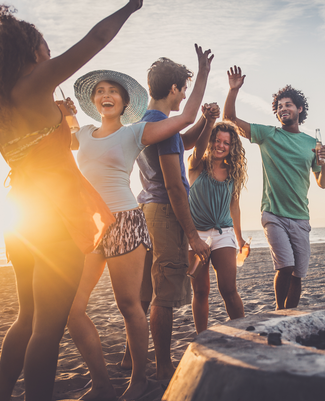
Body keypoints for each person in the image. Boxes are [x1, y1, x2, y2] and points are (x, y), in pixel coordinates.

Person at [0, 2, 142, 400]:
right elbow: (96, 39)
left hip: (21, 219)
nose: (49, 52)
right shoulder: (34, 82)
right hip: (56, 219)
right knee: (47, 330)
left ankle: (0, 396)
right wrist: (131, 6)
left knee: (25, 318)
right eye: (44, 45)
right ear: (30, 51)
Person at [67, 46, 212, 401]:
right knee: (72, 308)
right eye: (100, 91)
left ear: (124, 100)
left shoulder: (136, 132)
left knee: (130, 304)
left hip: (126, 221)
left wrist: (203, 73)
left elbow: (186, 119)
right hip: (89, 225)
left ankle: (139, 380)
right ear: (93, 100)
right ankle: (100, 383)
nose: (106, 95)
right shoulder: (82, 132)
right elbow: (50, 141)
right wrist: (61, 114)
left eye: (113, 91)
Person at [120, 57, 213, 382]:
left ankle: (129, 357)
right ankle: (161, 367)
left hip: (145, 210)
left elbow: (182, 142)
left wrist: (205, 121)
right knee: (164, 292)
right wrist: (192, 235)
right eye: (183, 90)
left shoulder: (148, 122)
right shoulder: (165, 125)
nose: (184, 97)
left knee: (145, 290)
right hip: (165, 213)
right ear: (173, 88)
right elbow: (175, 185)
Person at [223, 66, 325, 310]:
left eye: (288, 104)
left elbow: (323, 182)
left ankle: (288, 315)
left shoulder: (312, 144)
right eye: (280, 106)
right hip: (273, 214)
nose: (284, 108)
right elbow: (229, 119)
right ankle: (278, 312)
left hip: (301, 217)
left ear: (299, 109)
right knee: (286, 266)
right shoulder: (268, 135)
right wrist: (233, 90)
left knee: (298, 274)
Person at [187, 118, 248, 333]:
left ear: (232, 147)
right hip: (196, 235)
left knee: (228, 289)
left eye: (226, 143)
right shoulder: (196, 165)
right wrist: (208, 121)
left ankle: (242, 333)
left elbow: (235, 206)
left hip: (224, 233)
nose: (221, 146)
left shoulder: (233, 172)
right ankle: (201, 336)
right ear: (210, 141)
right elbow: (196, 150)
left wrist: (239, 238)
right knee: (201, 290)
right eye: (217, 140)